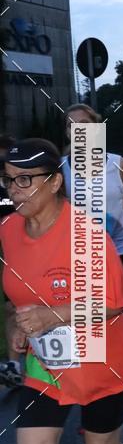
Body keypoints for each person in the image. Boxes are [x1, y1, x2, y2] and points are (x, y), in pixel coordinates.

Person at [0, 139, 123, 444]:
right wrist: (15, 326)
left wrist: (53, 315)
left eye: (25, 180)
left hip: (99, 357)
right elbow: (13, 297)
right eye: (9, 180)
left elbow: (117, 303)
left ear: (53, 182)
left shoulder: (85, 233)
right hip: (46, 363)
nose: (14, 189)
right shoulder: (8, 231)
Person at [62, 103, 123, 394]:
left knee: (107, 312)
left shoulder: (117, 163)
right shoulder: (61, 170)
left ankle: (101, 387)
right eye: (71, 125)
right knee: (115, 315)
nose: (78, 129)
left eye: (84, 123)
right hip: (85, 255)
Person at [0, 133, 22, 389]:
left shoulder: (23, 180)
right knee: (11, 308)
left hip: (27, 247)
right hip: (8, 251)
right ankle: (14, 364)